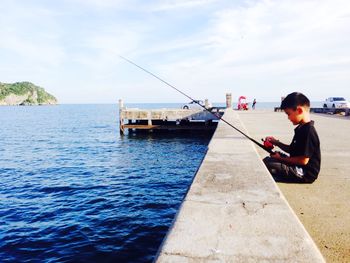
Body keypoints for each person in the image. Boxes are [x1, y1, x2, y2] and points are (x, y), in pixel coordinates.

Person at [263, 92, 321, 183]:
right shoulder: (301, 128)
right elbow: (292, 150)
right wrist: (276, 142)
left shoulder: (309, 131)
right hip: (298, 166)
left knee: (268, 164)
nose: (288, 118)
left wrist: (280, 158)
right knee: (269, 159)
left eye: (288, 114)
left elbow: (303, 161)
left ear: (299, 110)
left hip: (305, 173)